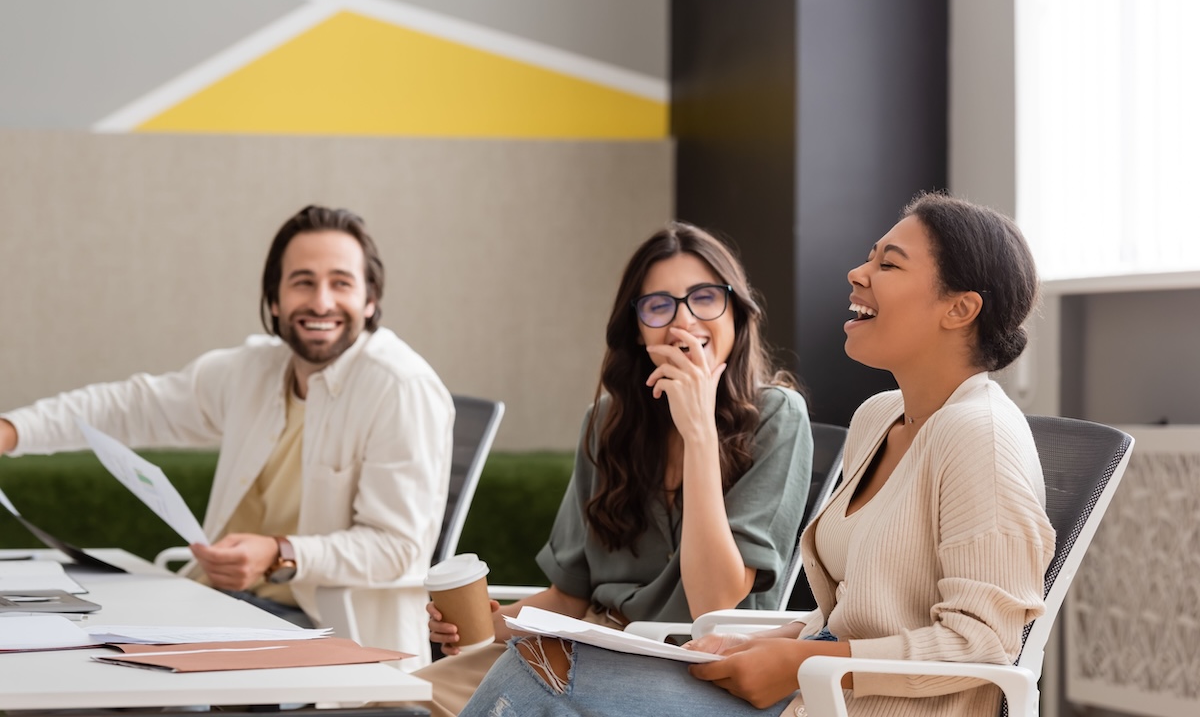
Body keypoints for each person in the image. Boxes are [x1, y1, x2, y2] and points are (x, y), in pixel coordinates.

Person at [458, 192, 1056, 717]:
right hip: (817, 691)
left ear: (960, 308)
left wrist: (800, 661)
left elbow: (985, 645)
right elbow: (856, 615)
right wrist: (769, 646)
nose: (857, 272)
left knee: (541, 675)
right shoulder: (880, 417)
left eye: (888, 263)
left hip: (862, 702)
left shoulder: (982, 435)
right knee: (531, 662)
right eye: (869, 256)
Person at [0, 205, 454, 665]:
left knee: (88, 663)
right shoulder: (255, 370)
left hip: (324, 632)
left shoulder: (400, 387)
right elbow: (132, 405)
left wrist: (280, 554)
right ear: (274, 299)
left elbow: (398, 548)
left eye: (341, 282)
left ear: (370, 300)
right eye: (302, 281)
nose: (321, 302)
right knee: (59, 641)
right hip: (222, 605)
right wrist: (12, 430)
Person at [411, 222, 814, 716]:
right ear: (637, 329)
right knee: (397, 699)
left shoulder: (777, 417)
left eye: (705, 297)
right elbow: (569, 599)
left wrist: (699, 434)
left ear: (736, 312)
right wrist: (482, 626)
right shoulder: (607, 422)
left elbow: (716, 604)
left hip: (697, 668)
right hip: (588, 647)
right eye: (659, 306)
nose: (683, 322)